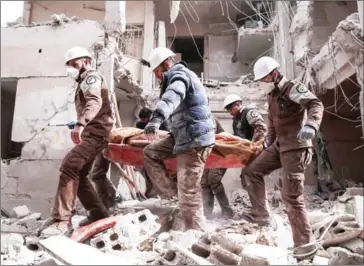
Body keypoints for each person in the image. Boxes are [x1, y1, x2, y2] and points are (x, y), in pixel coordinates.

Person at [244, 56, 324, 252]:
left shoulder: (292, 88)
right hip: (279, 146)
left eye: (262, 79)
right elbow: (271, 126)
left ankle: (305, 245)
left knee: (291, 196)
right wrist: (266, 146)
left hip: (296, 147)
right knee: (251, 172)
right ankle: (262, 217)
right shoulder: (271, 96)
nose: (261, 84)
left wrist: (311, 125)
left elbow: (315, 104)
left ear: (273, 74)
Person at [44, 46, 116, 234]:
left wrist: (82, 123)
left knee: (69, 166)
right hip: (95, 132)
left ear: (85, 61)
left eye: (73, 64)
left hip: (96, 133)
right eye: (68, 65)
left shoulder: (91, 77)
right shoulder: (83, 81)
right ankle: (98, 213)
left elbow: (94, 101)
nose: (71, 68)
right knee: (81, 173)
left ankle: (61, 220)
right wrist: (77, 122)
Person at [143, 47, 215, 231]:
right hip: (182, 136)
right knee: (151, 152)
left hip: (194, 140)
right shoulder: (175, 76)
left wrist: (156, 119)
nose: (157, 77)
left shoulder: (179, 76)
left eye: (157, 72)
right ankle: (172, 195)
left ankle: (197, 235)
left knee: (189, 194)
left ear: (166, 64)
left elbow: (172, 97)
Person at [223, 94, 267, 189]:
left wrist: (253, 145)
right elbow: (238, 136)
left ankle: (259, 200)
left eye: (230, 109)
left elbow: (261, 129)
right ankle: (253, 199)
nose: (229, 112)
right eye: (228, 110)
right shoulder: (236, 120)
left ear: (238, 104)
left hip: (255, 151)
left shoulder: (249, 113)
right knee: (245, 178)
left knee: (252, 176)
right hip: (247, 153)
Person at [201, 117, 234, 219]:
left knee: (213, 180)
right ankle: (207, 213)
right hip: (208, 156)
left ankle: (227, 211)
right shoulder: (192, 119)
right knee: (204, 182)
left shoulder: (208, 118)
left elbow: (212, 135)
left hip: (220, 154)